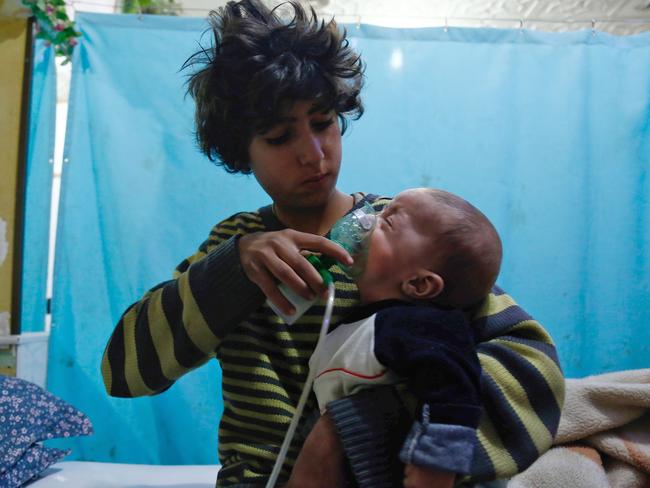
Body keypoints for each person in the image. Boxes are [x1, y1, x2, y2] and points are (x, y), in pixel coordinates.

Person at [100, 1, 565, 487]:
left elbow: (537, 378)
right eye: (280, 137)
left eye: (323, 123)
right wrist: (232, 271)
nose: (314, 155)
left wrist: (363, 425)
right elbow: (123, 374)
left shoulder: (403, 240)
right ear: (242, 152)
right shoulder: (233, 249)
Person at [309, 188, 501, 488]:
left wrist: (436, 464)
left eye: (387, 222)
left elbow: (454, 384)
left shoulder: (418, 325)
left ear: (419, 284)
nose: (366, 219)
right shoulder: (356, 325)